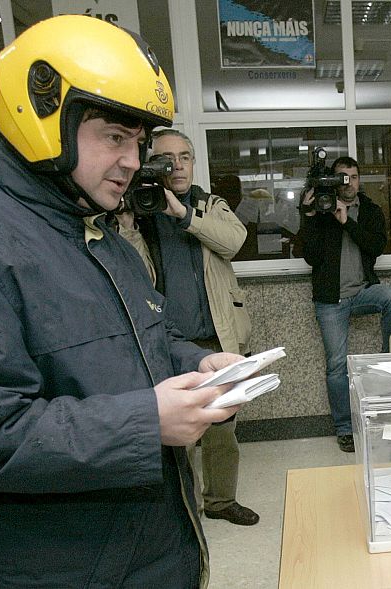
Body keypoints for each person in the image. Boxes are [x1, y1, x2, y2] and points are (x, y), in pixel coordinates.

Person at [0, 16, 244, 587]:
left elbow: (139, 344)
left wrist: (194, 365)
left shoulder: (101, 237)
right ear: (44, 122)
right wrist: (145, 420)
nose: (134, 161)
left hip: (150, 552)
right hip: (55, 567)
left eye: (139, 142)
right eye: (114, 137)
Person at [117, 128, 259, 527]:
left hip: (217, 338)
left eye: (184, 157)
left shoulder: (208, 203)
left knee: (222, 430)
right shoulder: (140, 210)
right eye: (166, 159)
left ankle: (220, 501)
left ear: (194, 162)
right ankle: (188, 511)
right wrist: (128, 224)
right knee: (182, 435)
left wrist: (182, 215)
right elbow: (133, 272)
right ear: (152, 165)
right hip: (167, 340)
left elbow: (235, 240)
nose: (177, 165)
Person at [297, 156, 391, 452]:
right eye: (342, 177)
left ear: (359, 180)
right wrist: (310, 216)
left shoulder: (369, 210)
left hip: (363, 292)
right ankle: (344, 428)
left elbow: (376, 247)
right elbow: (309, 256)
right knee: (336, 366)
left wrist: (348, 222)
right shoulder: (320, 211)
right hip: (331, 299)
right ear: (332, 181)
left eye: (354, 177)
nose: (349, 182)